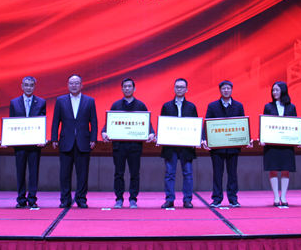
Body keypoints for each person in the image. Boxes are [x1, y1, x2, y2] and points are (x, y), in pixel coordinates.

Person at [101, 78, 155, 208]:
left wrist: (152, 133)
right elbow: (109, 123)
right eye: (125, 86)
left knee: (134, 173)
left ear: (134, 88)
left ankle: (133, 199)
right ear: (121, 89)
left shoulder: (141, 105)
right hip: (119, 145)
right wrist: (103, 132)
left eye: (129, 86)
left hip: (135, 146)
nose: (127, 88)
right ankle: (119, 199)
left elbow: (147, 123)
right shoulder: (116, 105)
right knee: (118, 173)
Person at [202, 80, 252, 208]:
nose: (226, 90)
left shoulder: (238, 106)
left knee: (232, 174)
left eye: (228, 88)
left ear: (232, 90)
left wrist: (247, 139)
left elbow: (242, 124)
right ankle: (217, 199)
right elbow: (206, 124)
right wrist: (204, 139)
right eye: (223, 88)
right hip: (217, 147)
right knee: (217, 174)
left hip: (233, 147)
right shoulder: (212, 106)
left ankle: (233, 199)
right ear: (220, 90)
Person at [50, 75, 98, 208]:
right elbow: (55, 121)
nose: (74, 85)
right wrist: (54, 138)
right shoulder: (60, 100)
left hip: (83, 141)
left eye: (76, 83)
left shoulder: (89, 101)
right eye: (71, 83)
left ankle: (81, 198)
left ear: (81, 85)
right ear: (67, 85)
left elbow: (93, 121)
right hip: (66, 141)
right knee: (65, 173)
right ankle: (65, 199)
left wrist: (93, 138)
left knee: (82, 173)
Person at [158, 78, 199, 209]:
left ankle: (187, 200)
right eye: (177, 87)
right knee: (169, 174)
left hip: (186, 147)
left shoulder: (191, 106)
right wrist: (160, 138)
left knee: (188, 174)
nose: (179, 89)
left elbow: (196, 125)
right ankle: (169, 199)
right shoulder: (166, 106)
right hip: (170, 146)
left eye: (182, 87)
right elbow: (163, 125)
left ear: (186, 89)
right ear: (174, 89)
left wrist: (196, 139)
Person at [8, 76, 47, 208]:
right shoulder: (14, 102)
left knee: (33, 171)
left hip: (35, 144)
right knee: (20, 171)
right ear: (22, 86)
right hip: (19, 144)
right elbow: (11, 123)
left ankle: (32, 199)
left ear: (35, 87)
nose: (28, 87)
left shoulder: (41, 102)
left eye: (31, 85)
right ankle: (20, 199)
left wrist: (42, 138)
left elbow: (42, 121)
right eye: (26, 85)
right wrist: (8, 138)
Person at [260, 82, 297, 207]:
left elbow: (295, 125)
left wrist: (298, 139)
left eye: (277, 90)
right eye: (273, 90)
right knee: (273, 168)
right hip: (272, 144)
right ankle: (276, 196)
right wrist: (263, 137)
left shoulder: (291, 107)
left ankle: (284, 196)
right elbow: (265, 124)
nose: (274, 92)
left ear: (283, 91)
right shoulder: (268, 106)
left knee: (286, 169)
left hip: (286, 143)